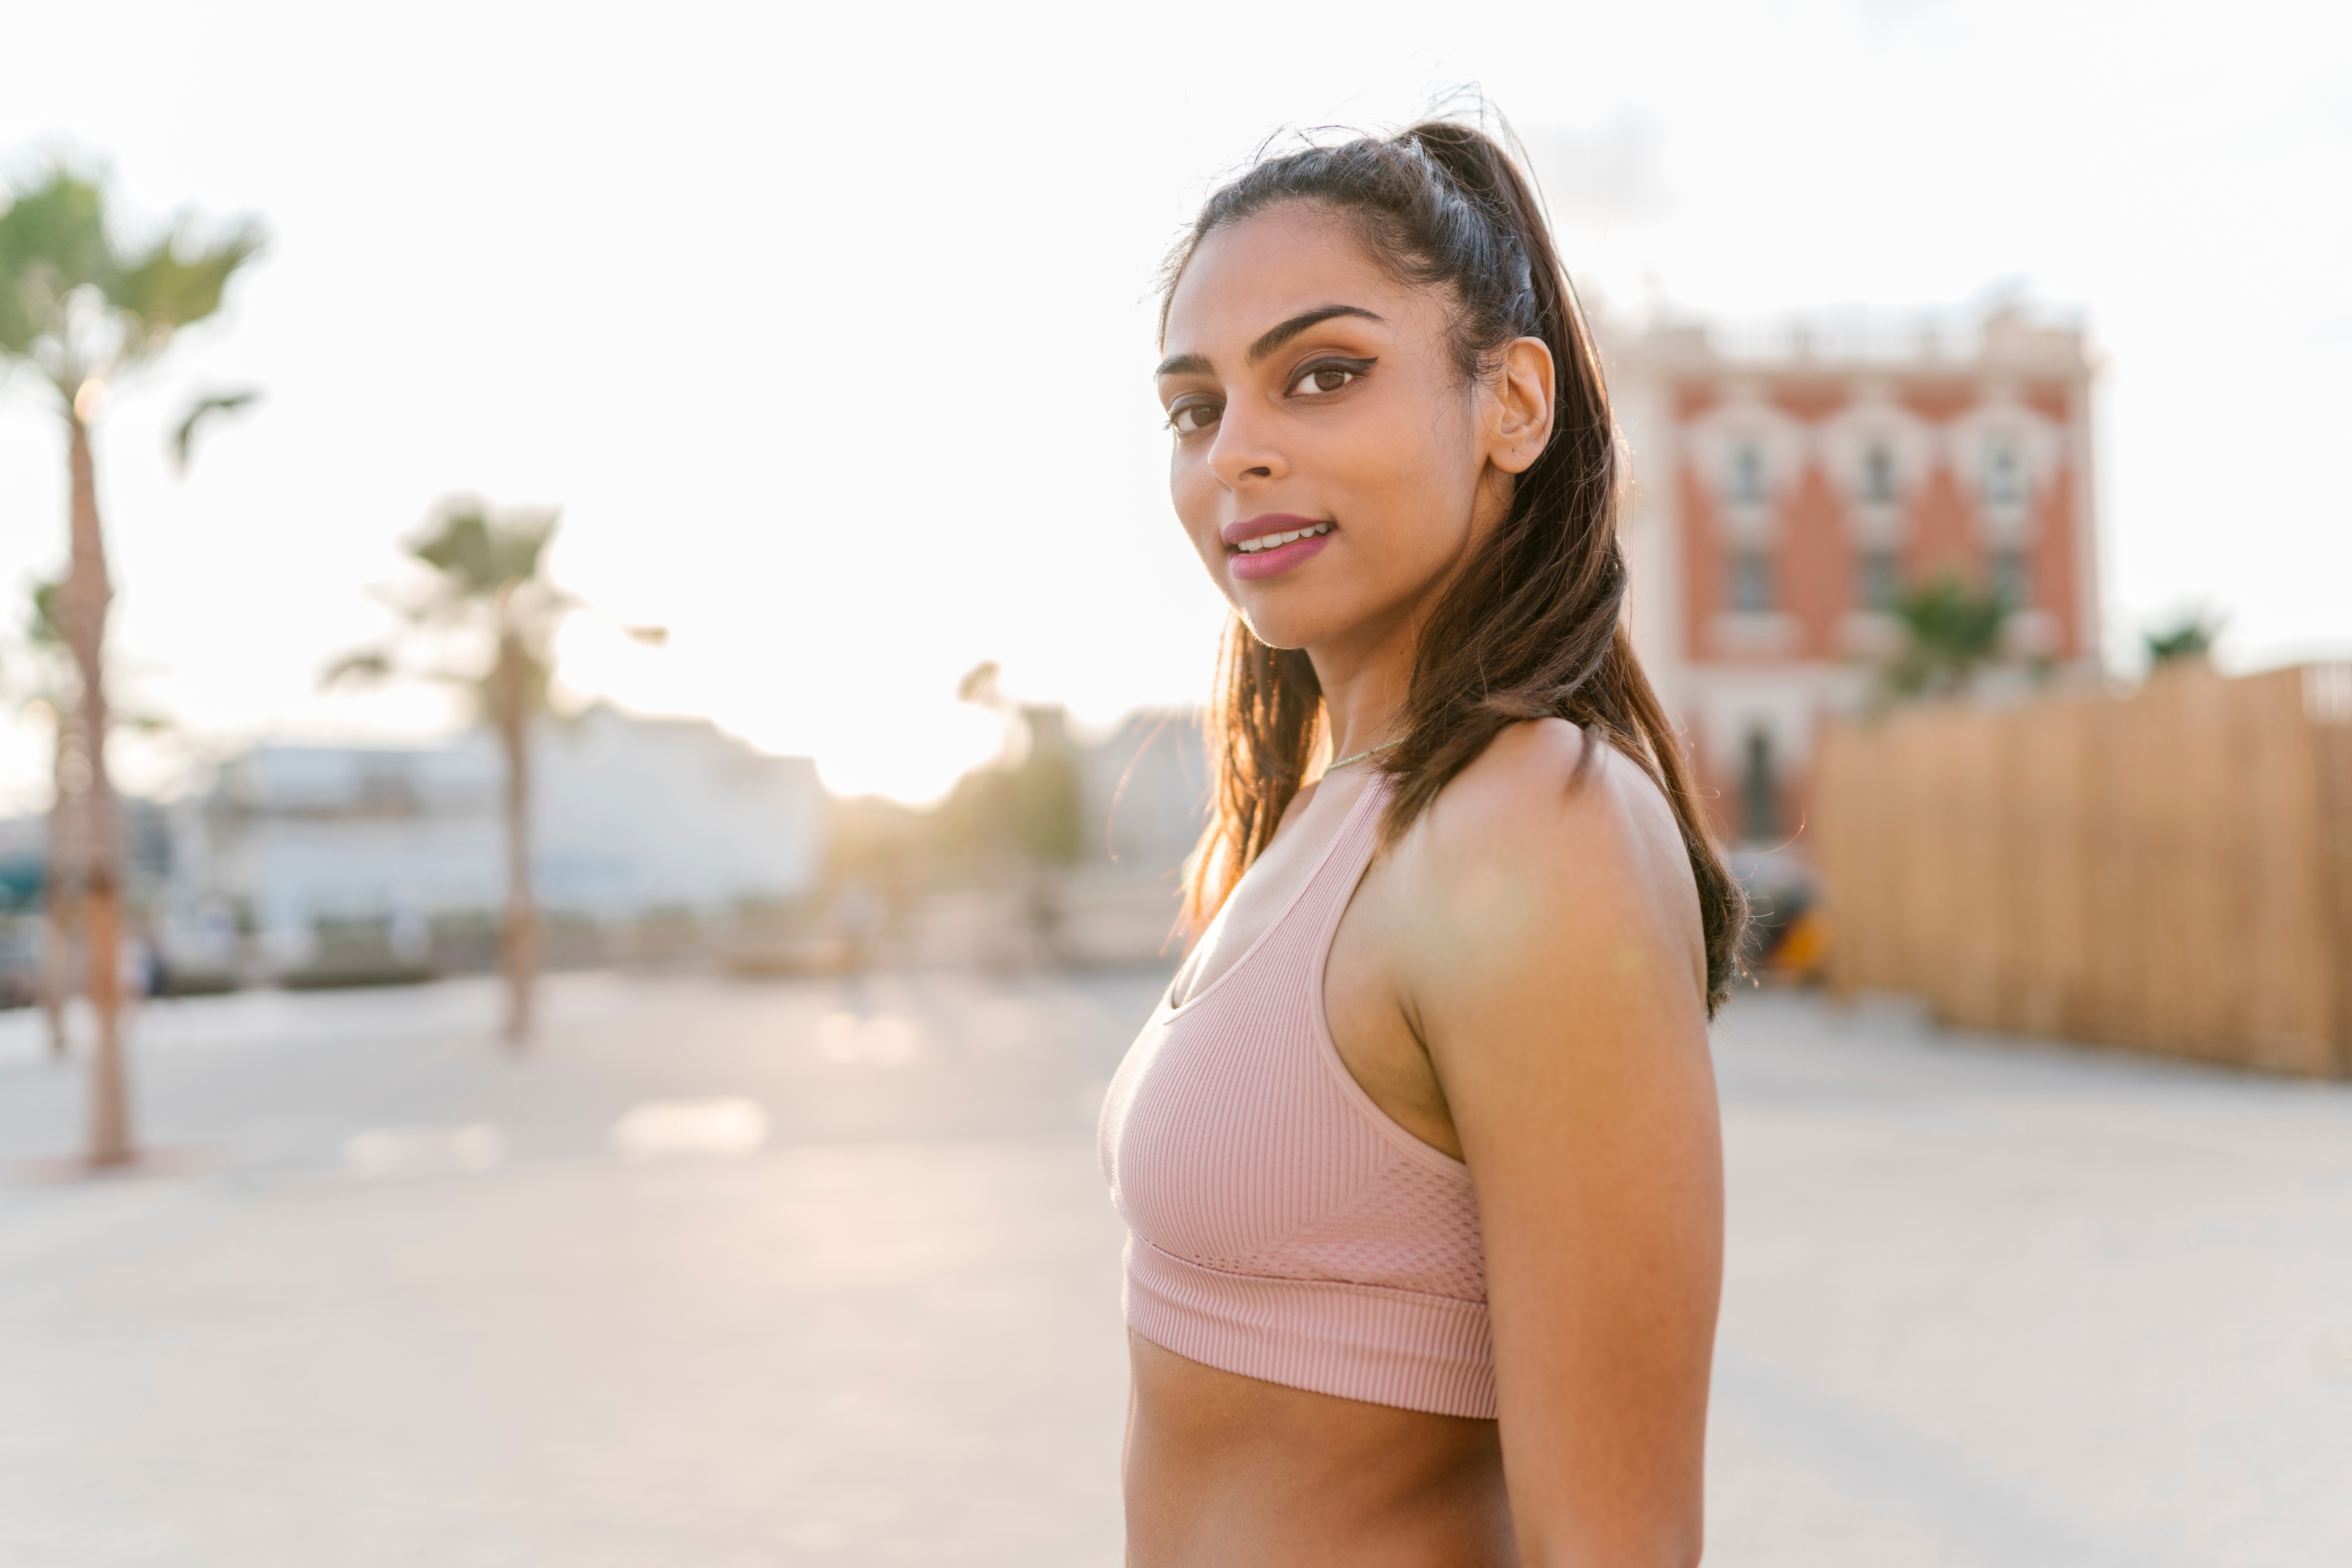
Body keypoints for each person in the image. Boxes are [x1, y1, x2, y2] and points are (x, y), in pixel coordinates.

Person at [1096, 119, 1748, 1566]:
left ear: (1514, 403)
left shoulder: (1536, 824)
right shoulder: (1336, 809)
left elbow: (1621, 1549)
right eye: (1196, 410)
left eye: (1324, 375)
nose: (1240, 454)